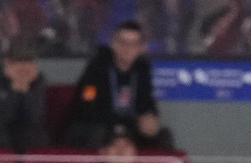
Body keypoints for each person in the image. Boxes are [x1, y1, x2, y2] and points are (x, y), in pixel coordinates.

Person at [66, 20, 174, 151]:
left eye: (134, 44)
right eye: (122, 42)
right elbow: (87, 105)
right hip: (99, 127)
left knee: (163, 136)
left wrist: (150, 117)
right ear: (113, 44)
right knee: (96, 133)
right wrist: (117, 128)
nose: (127, 49)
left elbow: (147, 102)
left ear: (141, 48)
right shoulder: (96, 68)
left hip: (130, 128)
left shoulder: (142, 69)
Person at [0, 32, 49, 151]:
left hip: (25, 127)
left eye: (28, 60)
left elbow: (36, 117)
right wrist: (13, 89)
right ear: (7, 61)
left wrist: (25, 89)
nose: (23, 66)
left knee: (37, 136)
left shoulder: (37, 78)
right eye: (18, 61)